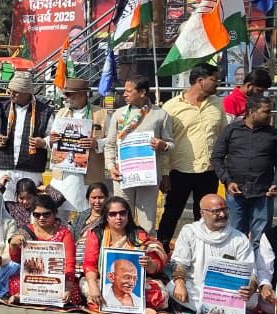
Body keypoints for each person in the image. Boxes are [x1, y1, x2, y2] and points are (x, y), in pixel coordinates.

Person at [157, 63, 227, 246]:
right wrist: (164, 173)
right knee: (171, 213)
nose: (218, 83)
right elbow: (164, 142)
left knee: (205, 216)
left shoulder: (218, 104)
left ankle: (202, 251)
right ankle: (160, 251)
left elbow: (223, 137)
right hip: (179, 170)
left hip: (209, 170)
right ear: (200, 81)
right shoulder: (171, 107)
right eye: (214, 79)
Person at [211, 94, 277, 245]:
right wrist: (227, 181)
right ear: (252, 112)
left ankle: (259, 261)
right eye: (266, 112)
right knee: (235, 237)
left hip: (263, 193)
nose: (270, 115)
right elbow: (216, 158)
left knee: (262, 239)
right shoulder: (231, 131)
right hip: (236, 193)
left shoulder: (273, 134)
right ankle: (238, 261)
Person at [167, 194, 256, 314]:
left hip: (227, 293)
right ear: (203, 213)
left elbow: (251, 271)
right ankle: (228, 313)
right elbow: (180, 262)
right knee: (172, 287)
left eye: (225, 209)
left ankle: (207, 310)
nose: (222, 214)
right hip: (196, 287)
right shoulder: (190, 231)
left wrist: (250, 288)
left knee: (253, 299)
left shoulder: (239, 238)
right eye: (216, 211)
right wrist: (180, 284)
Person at [103, 77, 173, 232]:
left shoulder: (160, 115)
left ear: (142, 92)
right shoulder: (119, 114)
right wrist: (111, 167)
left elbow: (170, 144)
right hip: (122, 174)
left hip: (148, 176)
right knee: (120, 217)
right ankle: (121, 245)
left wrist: (163, 146)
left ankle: (145, 247)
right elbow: (110, 144)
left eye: (129, 91)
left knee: (147, 222)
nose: (124, 94)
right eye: (124, 91)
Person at [81, 197, 169, 311]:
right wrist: (93, 287)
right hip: (103, 281)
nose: (118, 217)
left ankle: (126, 305)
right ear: (106, 217)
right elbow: (90, 264)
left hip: (135, 285)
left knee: (160, 295)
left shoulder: (139, 235)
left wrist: (150, 265)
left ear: (128, 215)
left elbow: (156, 263)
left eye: (122, 213)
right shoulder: (97, 234)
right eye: (113, 214)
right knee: (89, 288)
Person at [0, 71, 53, 203]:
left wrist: (43, 143)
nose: (11, 94)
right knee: (4, 204)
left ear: (27, 93)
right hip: (6, 167)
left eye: (16, 92)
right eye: (10, 91)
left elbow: (53, 137)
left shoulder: (45, 111)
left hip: (31, 168)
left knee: (30, 206)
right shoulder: (2, 108)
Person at [6, 194, 78, 303]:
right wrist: (13, 245)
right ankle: (26, 296)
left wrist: (67, 288)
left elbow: (70, 262)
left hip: (57, 281)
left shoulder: (64, 233)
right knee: (14, 282)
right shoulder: (26, 231)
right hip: (32, 279)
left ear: (55, 213)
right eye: (37, 215)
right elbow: (16, 259)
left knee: (73, 291)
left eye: (46, 214)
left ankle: (24, 297)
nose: (41, 218)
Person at [46, 78, 108, 201]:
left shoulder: (102, 114)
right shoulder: (61, 113)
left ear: (82, 94)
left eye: (69, 94)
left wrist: (97, 143)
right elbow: (51, 138)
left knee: (86, 207)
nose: (65, 97)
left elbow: (112, 141)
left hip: (89, 175)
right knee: (60, 208)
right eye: (65, 94)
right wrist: (51, 140)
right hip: (62, 175)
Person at [68, 182, 111, 266]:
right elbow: (72, 237)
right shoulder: (82, 216)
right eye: (94, 198)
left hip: (98, 260)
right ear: (88, 199)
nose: (97, 201)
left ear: (107, 198)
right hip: (78, 260)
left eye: (101, 197)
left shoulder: (110, 217)